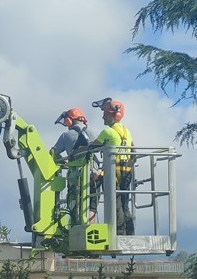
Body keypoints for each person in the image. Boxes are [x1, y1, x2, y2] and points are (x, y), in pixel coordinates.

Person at [90, 98, 135, 235]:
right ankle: (130, 232)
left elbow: (92, 147)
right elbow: (133, 150)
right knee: (125, 203)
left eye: (105, 113)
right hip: (127, 171)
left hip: (113, 172)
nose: (103, 115)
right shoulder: (127, 131)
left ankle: (119, 234)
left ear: (112, 115)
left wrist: (79, 150)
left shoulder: (107, 132)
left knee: (115, 204)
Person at [50, 108, 97, 226]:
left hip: (75, 176)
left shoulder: (66, 135)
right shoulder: (94, 132)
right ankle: (89, 230)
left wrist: (61, 161)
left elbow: (53, 153)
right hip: (94, 175)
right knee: (92, 205)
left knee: (74, 204)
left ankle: (76, 228)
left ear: (69, 120)